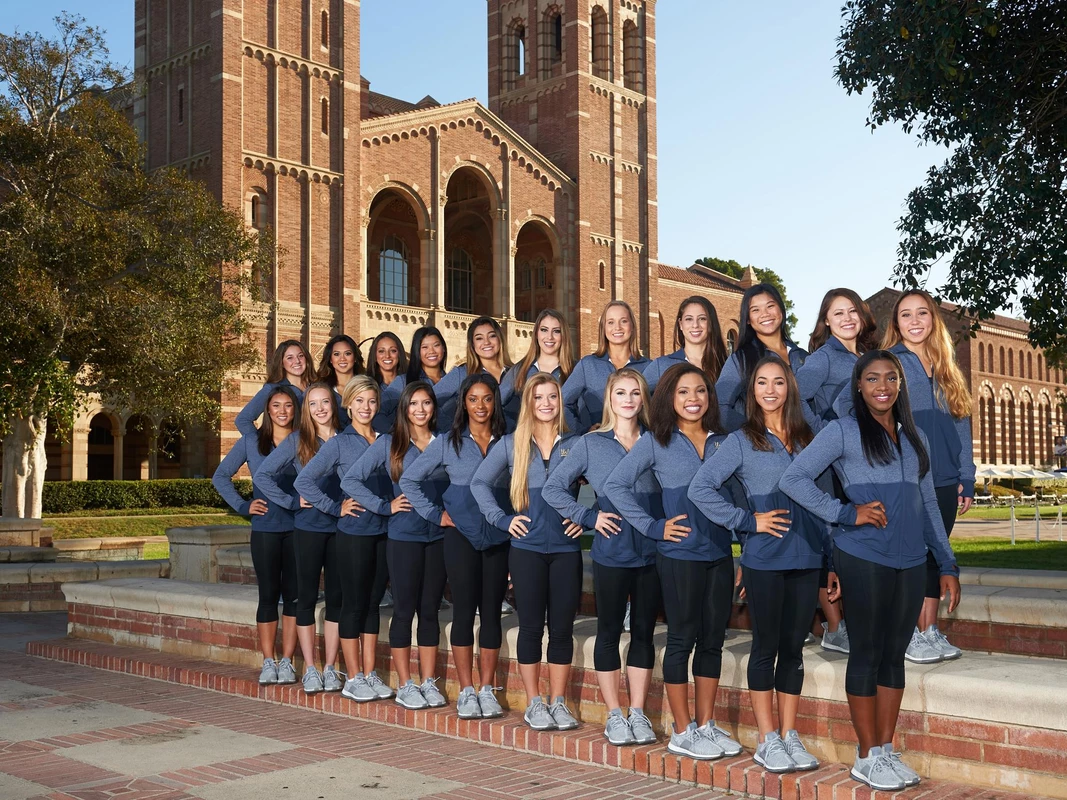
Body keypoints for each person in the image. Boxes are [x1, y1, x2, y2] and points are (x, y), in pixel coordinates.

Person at [780, 350, 961, 792]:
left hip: (911, 560)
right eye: (873, 378)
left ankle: (884, 748)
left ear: (900, 385)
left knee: (893, 655)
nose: (883, 386)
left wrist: (947, 561)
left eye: (891, 378)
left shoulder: (913, 437)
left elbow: (930, 511)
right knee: (867, 651)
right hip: (862, 556)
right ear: (858, 387)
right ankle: (865, 755)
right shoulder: (842, 431)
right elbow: (794, 479)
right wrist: (845, 512)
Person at [688, 356, 825, 774]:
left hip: (808, 556)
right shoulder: (741, 440)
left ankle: (788, 734)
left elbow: (825, 499)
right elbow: (701, 488)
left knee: (794, 650)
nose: (770, 389)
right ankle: (767, 738)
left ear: (790, 388)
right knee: (765, 648)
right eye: (761, 383)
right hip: (765, 559)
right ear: (752, 393)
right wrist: (746, 522)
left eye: (778, 382)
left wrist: (830, 559)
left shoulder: (809, 436)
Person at [604, 363, 743, 761]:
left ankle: (705, 725)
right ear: (669, 397)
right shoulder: (656, 442)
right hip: (679, 556)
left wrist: (744, 550)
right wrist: (653, 526)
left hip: (719, 555)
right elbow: (615, 484)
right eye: (683, 392)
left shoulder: (724, 442)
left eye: (700, 391)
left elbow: (738, 498)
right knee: (682, 639)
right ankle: (683, 730)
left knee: (713, 641)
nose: (693, 399)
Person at [542, 369, 660, 747]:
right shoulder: (591, 444)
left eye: (635, 393)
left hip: (653, 553)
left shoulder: (658, 441)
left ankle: (638, 712)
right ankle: (614, 714)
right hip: (612, 553)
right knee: (608, 632)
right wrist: (588, 517)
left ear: (644, 399)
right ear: (610, 398)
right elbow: (553, 488)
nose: (628, 399)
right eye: (620, 392)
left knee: (643, 634)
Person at [470, 373, 583, 732]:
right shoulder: (511, 444)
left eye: (552, 396)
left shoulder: (577, 444)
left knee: (562, 630)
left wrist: (587, 519)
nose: (546, 403)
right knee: (532, 628)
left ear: (560, 402)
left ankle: (559, 702)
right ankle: (535, 702)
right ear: (529, 403)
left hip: (566, 550)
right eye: (539, 397)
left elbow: (610, 484)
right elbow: (479, 483)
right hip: (527, 550)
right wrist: (502, 520)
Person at [400, 374, 510, 720]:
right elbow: (409, 480)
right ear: (463, 403)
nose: (480, 406)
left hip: (497, 539)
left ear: (495, 402)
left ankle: (488, 689)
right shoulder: (448, 442)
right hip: (459, 538)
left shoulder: (508, 442)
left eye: (487, 399)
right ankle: (466, 691)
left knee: (491, 613)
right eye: (473, 399)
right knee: (464, 612)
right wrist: (436, 515)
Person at [876, 289, 974, 663]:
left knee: (937, 554)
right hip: (910, 476)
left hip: (948, 476)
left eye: (922, 313)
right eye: (906, 315)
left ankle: (929, 632)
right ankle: (910, 634)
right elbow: (857, 407)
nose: (915, 321)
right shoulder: (890, 364)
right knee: (916, 556)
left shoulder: (947, 365)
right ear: (896, 323)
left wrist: (967, 475)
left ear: (933, 319)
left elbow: (961, 423)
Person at [344, 381, 448, 710]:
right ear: (404, 408)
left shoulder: (444, 443)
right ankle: (405, 683)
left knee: (430, 612)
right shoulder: (390, 443)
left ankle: (428, 681)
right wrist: (383, 505)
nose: (420, 409)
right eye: (413, 403)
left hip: (438, 537)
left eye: (426, 403)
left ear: (433, 408)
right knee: (404, 612)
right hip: (403, 537)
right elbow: (350, 480)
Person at [293, 376, 393, 703]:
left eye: (371, 401)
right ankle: (352, 677)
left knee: (372, 604)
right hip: (353, 534)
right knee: (352, 604)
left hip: (384, 533)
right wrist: (334, 508)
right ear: (348, 404)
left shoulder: (388, 439)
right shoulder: (339, 444)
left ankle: (368, 672)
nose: (366, 407)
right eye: (359, 401)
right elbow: (304, 481)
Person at [796, 288, 878, 655]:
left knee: (857, 536)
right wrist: (824, 432)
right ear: (826, 320)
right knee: (830, 539)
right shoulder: (823, 358)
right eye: (837, 312)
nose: (846, 318)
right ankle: (834, 626)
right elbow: (794, 397)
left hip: (865, 459)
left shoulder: (868, 357)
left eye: (852, 311)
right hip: (830, 461)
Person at [255, 382, 343, 694]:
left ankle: (330, 667)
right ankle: (309, 667)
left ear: (334, 405)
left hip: (342, 529)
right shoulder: (297, 440)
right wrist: (293, 501)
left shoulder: (347, 439)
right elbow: (262, 475)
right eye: (314, 403)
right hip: (307, 529)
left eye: (325, 402)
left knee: (336, 600)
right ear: (307, 409)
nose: (320, 408)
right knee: (304, 598)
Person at [212, 385, 300, 686]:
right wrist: (243, 506)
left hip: (298, 528)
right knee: (267, 596)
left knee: (294, 598)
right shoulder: (252, 441)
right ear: (267, 410)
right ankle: (268, 660)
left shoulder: (305, 442)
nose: (282, 411)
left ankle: (287, 661)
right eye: (276, 405)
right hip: (265, 529)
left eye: (288, 405)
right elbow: (221, 476)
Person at [716, 284, 806, 432]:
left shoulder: (803, 356)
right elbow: (719, 406)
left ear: (781, 310)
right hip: (762, 448)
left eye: (770, 306)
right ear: (748, 319)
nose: (765, 314)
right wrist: (755, 432)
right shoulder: (740, 360)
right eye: (755, 310)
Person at [563, 300, 650, 433]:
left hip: (637, 444)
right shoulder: (588, 365)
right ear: (603, 328)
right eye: (611, 322)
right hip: (598, 445)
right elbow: (561, 402)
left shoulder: (649, 367)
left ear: (632, 326)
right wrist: (581, 431)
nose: (617, 327)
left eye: (624, 321)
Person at [499, 309, 574, 431]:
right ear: (536, 334)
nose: (549, 337)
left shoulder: (574, 370)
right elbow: (497, 405)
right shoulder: (520, 370)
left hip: (563, 442)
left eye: (556, 331)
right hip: (526, 443)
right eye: (544, 330)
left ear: (563, 335)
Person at [433, 317, 512, 433]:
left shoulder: (516, 374)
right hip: (472, 446)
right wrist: (453, 430)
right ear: (473, 344)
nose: (486, 342)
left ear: (500, 339)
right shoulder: (462, 373)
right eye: (479, 338)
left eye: (492, 336)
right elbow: (428, 401)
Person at [642, 296, 729, 394]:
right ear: (680, 324)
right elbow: (639, 401)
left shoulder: (727, 365)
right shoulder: (660, 366)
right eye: (689, 319)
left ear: (711, 323)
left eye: (702, 319)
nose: (695, 325)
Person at [236, 339, 315, 437]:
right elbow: (242, 420)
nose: (297, 361)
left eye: (301, 356)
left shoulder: (317, 388)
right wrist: (259, 447)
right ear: (281, 363)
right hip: (287, 449)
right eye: (290, 358)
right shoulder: (272, 389)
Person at [378, 327, 449, 433]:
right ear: (417, 351)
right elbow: (378, 411)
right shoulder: (403, 381)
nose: (431, 351)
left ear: (443, 348)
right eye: (424, 347)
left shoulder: (454, 381)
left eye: (436, 345)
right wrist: (397, 438)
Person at [316, 334, 363, 429]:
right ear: (330, 359)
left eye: (347, 353)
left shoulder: (366, 387)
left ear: (355, 358)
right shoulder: (321, 389)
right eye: (336, 354)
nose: (342, 359)